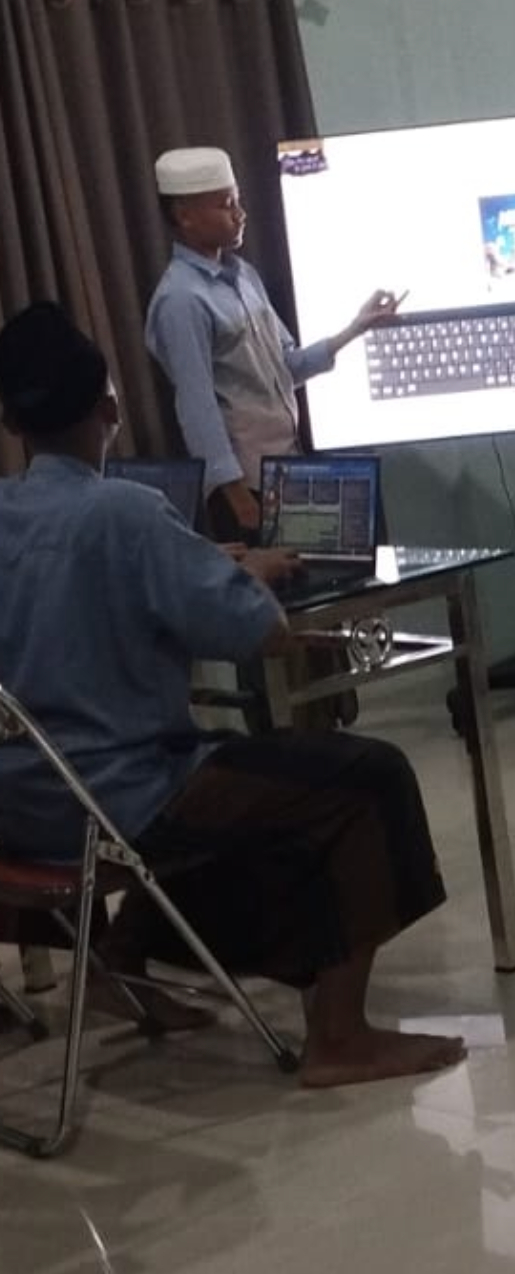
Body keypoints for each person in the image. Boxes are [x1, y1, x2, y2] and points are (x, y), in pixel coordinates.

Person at [0, 300, 465, 1089]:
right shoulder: (126, 514)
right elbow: (260, 631)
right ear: (109, 409)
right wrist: (242, 572)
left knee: (226, 762)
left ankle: (118, 961)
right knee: (366, 777)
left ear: (13, 422)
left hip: (19, 807)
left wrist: (193, 563)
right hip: (115, 802)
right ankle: (339, 1038)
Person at [144, 145, 401, 542]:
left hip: (286, 470)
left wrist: (355, 329)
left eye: (238, 200)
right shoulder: (180, 298)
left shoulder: (244, 275)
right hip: (246, 486)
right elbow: (196, 406)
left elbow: (287, 367)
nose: (240, 214)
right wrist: (234, 494)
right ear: (185, 216)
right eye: (226, 204)